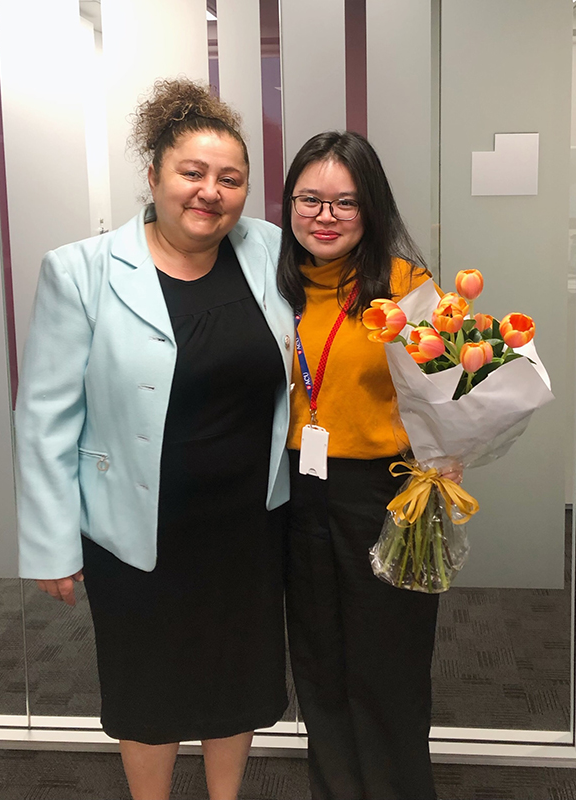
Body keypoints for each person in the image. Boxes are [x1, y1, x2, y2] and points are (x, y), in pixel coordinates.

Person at [15, 78, 294, 800]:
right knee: (149, 685)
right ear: (153, 177)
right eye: (192, 173)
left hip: (247, 521)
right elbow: (46, 415)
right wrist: (51, 541)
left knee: (238, 676)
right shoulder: (81, 271)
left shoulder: (264, 249)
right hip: (136, 524)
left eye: (231, 179)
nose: (211, 192)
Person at [278, 130, 441, 800]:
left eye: (344, 203)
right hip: (296, 493)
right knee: (319, 662)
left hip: (385, 493)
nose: (325, 216)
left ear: (371, 209)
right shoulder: (274, 288)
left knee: (388, 666)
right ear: (288, 206)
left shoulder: (406, 289)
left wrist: (450, 453)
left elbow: (457, 391)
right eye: (309, 199)